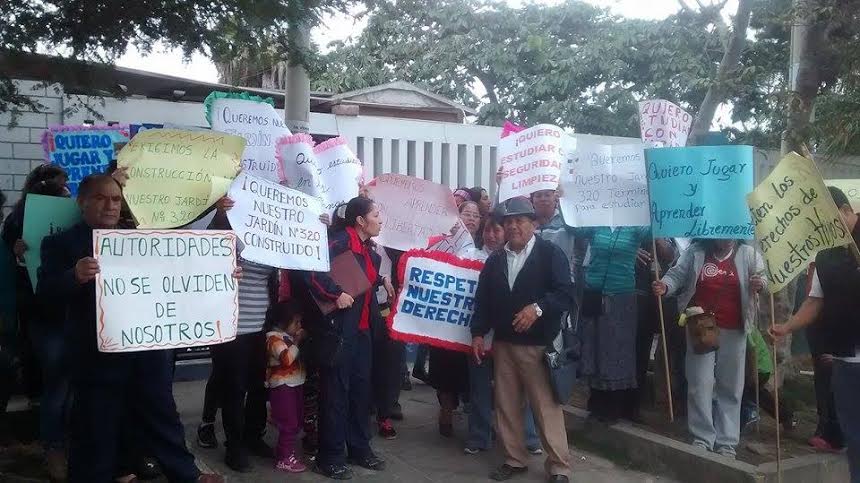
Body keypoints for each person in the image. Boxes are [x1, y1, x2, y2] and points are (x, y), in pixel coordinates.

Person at [37, 174, 225, 483]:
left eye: (115, 198)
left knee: (162, 414)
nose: (111, 205)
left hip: (145, 351)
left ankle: (186, 474)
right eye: (101, 198)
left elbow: (180, 272)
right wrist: (74, 275)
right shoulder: (60, 243)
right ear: (82, 202)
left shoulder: (137, 238)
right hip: (95, 355)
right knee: (96, 427)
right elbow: (45, 293)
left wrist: (221, 273)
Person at [471, 197, 575, 483]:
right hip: (504, 344)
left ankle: (559, 467)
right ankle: (515, 460)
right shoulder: (495, 261)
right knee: (506, 405)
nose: (514, 226)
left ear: (533, 223)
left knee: (545, 407)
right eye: (509, 222)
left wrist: (537, 308)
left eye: (520, 220)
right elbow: (483, 302)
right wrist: (478, 333)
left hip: (539, 346)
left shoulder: (550, 254)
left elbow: (566, 294)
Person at [770, 186, 860, 481]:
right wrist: (788, 326)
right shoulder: (825, 256)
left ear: (847, 211)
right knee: (854, 438)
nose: (827, 228)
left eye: (831, 220)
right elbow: (814, 301)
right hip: (846, 358)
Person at [303, 196, 391, 480]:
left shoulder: (369, 249)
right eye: (376, 214)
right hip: (340, 332)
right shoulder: (338, 241)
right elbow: (313, 272)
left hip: (362, 332)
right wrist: (334, 294)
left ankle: (359, 449)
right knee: (336, 394)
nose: (380, 219)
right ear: (361, 221)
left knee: (360, 392)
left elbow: (361, 276)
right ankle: (330, 456)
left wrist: (382, 279)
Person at [653, 239, 765, 458]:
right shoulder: (696, 251)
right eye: (719, 232)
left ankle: (727, 442)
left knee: (731, 386)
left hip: (735, 328)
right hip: (699, 327)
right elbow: (676, 275)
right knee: (699, 382)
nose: (724, 238)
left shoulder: (749, 254)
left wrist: (759, 284)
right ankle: (702, 437)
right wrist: (665, 286)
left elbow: (763, 280)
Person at [1, 165, 71, 480]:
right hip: (47, 316)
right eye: (64, 189)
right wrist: (16, 256)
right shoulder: (19, 224)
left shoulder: (19, 218)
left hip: (67, 315)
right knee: (57, 385)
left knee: (65, 385)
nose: (69, 194)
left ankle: (62, 444)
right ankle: (54, 447)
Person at [464, 211, 543, 456]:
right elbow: (481, 300)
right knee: (480, 388)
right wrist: (477, 331)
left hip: (513, 337)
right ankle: (480, 436)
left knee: (520, 390)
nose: (491, 235)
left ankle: (528, 437)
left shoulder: (522, 258)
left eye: (497, 230)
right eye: (487, 230)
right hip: (480, 336)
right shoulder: (469, 257)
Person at [207, 196, 275, 472]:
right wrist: (219, 216)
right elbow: (202, 251)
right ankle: (234, 446)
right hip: (230, 325)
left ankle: (253, 437)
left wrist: (319, 226)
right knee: (234, 388)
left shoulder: (273, 237)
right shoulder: (226, 230)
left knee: (260, 386)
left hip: (262, 326)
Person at [579, 226, 650, 423]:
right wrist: (562, 201)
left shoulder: (635, 227)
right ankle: (595, 404)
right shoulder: (597, 223)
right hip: (593, 291)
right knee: (593, 347)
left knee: (617, 351)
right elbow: (574, 227)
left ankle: (613, 407)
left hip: (621, 296)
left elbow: (652, 232)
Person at [428, 201, 481, 436]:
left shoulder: (487, 243)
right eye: (466, 214)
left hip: (473, 322)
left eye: (475, 215)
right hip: (445, 319)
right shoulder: (441, 241)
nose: (471, 219)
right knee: (445, 366)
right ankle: (446, 411)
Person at [266, 300, 308, 473]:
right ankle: (283, 458)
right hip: (283, 386)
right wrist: (297, 342)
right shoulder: (273, 339)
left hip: (295, 384)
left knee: (296, 420)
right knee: (289, 423)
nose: (299, 326)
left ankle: (286, 450)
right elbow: (286, 360)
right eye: (296, 322)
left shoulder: (288, 337)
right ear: (284, 322)